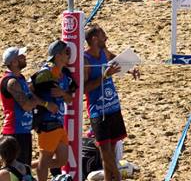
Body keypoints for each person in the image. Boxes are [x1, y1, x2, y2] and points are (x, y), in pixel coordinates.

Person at [84, 25, 138, 181]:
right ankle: (119, 179)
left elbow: (115, 60)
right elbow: (84, 88)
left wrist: (130, 69)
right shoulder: (85, 60)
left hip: (112, 106)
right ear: (94, 39)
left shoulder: (103, 52)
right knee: (105, 153)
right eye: (103, 36)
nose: (106, 38)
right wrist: (105, 76)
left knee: (110, 152)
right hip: (98, 111)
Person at [32, 41, 76, 181]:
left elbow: (70, 99)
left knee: (62, 160)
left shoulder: (65, 74)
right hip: (47, 123)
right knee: (45, 160)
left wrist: (63, 93)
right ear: (58, 56)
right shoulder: (46, 73)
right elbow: (27, 90)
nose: (69, 55)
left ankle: (25, 166)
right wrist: (46, 104)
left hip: (59, 122)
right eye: (66, 52)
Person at [2, 46, 48, 169]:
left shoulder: (20, 78)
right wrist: (34, 101)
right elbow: (27, 105)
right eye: (21, 56)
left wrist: (43, 103)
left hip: (24, 130)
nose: (25, 57)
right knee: (15, 171)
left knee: (25, 169)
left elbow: (31, 99)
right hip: (14, 131)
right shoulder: (11, 82)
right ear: (14, 62)